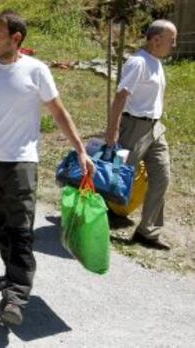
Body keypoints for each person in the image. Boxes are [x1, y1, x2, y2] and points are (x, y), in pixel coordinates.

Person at [0, 10, 94, 325]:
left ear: (16, 38)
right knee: (1, 228)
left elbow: (58, 111)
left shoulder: (36, 71)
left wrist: (80, 149)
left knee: (21, 231)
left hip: (21, 163)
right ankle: (12, 274)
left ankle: (16, 296)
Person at [105, 19, 178, 250]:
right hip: (133, 127)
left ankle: (148, 232)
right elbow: (120, 97)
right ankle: (88, 214)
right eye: (171, 40)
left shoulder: (156, 61)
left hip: (155, 128)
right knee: (115, 178)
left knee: (162, 177)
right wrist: (113, 130)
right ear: (156, 40)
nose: (174, 45)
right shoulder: (138, 63)